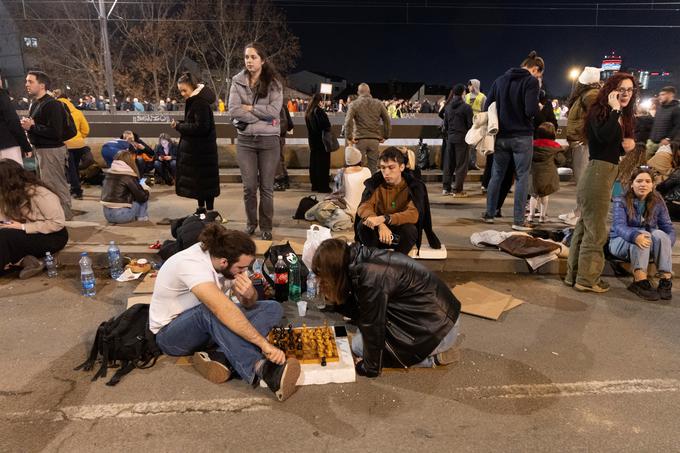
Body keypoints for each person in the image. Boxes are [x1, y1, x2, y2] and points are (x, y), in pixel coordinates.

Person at [150, 224, 300, 401]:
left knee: (272, 307)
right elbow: (221, 308)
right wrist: (264, 345)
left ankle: (221, 355)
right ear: (224, 262)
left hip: (207, 327)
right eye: (241, 268)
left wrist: (249, 293)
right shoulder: (192, 264)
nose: (245, 272)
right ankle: (261, 368)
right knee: (212, 310)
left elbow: (248, 303)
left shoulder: (226, 262)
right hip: (171, 336)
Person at [311, 238, 462, 378]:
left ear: (335, 271)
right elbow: (360, 309)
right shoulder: (359, 259)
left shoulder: (371, 277)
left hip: (438, 331)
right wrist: (338, 302)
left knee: (359, 346)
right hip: (439, 319)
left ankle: (432, 360)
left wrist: (369, 367)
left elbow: (373, 325)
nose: (320, 281)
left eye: (323, 277)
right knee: (362, 336)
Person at [565, 73, 638, 293]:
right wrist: (615, 108)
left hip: (604, 172)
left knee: (584, 227)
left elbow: (609, 145)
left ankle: (574, 275)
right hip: (598, 173)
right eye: (621, 89)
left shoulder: (617, 114)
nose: (625, 94)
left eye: (630, 90)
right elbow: (604, 137)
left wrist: (626, 147)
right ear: (611, 89)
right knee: (596, 231)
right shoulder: (601, 110)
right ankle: (587, 280)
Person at [481, 51, 543, 231]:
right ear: (534, 69)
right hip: (522, 136)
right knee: (522, 177)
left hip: (501, 136)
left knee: (497, 175)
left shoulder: (500, 80)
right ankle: (518, 220)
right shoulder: (530, 81)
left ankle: (490, 214)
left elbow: (487, 106)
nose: (538, 77)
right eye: (539, 74)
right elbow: (531, 110)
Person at [228, 42, 283, 241]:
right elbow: (233, 110)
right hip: (245, 142)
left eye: (253, 57)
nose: (249, 61)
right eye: (246, 57)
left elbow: (274, 112)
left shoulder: (274, 83)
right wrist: (261, 116)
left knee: (267, 188)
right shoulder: (237, 81)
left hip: (269, 142)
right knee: (249, 187)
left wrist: (250, 110)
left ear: (262, 60)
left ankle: (266, 226)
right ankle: (251, 223)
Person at [355, 147, 441, 256]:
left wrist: (385, 218)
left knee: (410, 230)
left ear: (401, 167)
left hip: (398, 238)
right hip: (379, 236)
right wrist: (381, 224)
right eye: (383, 168)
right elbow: (364, 207)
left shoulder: (412, 187)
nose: (386, 172)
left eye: (391, 167)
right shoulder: (375, 184)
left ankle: (398, 260)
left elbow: (413, 214)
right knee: (363, 225)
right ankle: (374, 258)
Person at [608, 168, 674, 301]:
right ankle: (639, 281)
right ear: (632, 184)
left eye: (647, 181)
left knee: (662, 235)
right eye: (639, 181)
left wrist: (665, 246)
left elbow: (669, 228)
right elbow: (619, 226)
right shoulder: (621, 200)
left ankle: (665, 280)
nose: (643, 184)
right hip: (620, 242)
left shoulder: (658, 200)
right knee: (643, 233)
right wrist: (634, 236)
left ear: (652, 185)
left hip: (646, 243)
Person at [0, 159, 68, 279]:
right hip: (29, 232)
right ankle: (27, 262)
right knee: (4, 233)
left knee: (5, 236)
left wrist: (22, 227)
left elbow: (57, 223)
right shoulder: (10, 194)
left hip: (53, 236)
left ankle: (19, 263)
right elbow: (5, 216)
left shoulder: (41, 193)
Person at [20, 71, 73, 220]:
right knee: (46, 186)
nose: (26, 84)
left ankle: (65, 218)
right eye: (26, 81)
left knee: (56, 185)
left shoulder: (53, 104)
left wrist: (32, 127)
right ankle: (55, 215)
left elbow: (56, 132)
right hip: (41, 150)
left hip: (52, 150)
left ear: (42, 85)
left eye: (30, 81)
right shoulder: (35, 104)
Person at [171, 72, 220, 215]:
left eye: (184, 90)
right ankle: (203, 209)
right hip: (202, 151)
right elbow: (196, 124)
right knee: (202, 182)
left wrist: (179, 127)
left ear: (192, 87)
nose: (182, 93)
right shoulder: (196, 101)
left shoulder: (199, 103)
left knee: (204, 182)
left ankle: (208, 211)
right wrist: (183, 124)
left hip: (201, 151)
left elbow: (201, 127)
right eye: (180, 90)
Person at [559, 67, 602, 226]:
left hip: (582, 142)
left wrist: (585, 136)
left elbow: (595, 119)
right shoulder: (587, 94)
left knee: (583, 180)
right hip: (579, 141)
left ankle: (582, 214)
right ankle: (578, 211)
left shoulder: (591, 95)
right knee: (581, 180)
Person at [343, 83, 391, 174]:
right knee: (373, 167)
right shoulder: (379, 103)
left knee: (357, 165)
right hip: (374, 139)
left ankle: (359, 186)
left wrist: (349, 137)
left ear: (358, 92)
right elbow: (387, 120)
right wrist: (386, 136)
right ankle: (371, 187)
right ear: (369, 92)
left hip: (359, 139)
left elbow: (348, 121)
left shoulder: (354, 104)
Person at [54, 90, 90, 200]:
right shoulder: (78, 112)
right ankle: (76, 187)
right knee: (74, 168)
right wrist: (79, 137)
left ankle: (77, 190)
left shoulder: (57, 111)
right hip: (79, 145)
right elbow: (86, 130)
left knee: (71, 169)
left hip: (66, 145)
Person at [527, 122, 565, 223]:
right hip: (548, 176)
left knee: (533, 195)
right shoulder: (555, 147)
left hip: (534, 175)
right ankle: (542, 216)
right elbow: (560, 160)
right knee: (545, 196)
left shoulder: (532, 145)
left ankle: (531, 215)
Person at [100, 151, 150, 224]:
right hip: (122, 216)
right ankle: (142, 217)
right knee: (143, 194)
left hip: (107, 214)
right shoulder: (129, 175)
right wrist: (146, 189)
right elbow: (142, 197)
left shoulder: (108, 173)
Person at [442, 84, 473, 197]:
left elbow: (445, 125)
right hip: (462, 139)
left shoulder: (448, 107)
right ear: (463, 93)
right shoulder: (466, 107)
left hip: (450, 138)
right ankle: (458, 190)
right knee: (461, 165)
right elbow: (470, 125)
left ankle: (446, 188)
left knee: (449, 164)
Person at [0, 75, 31, 165]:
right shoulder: (2, 95)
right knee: (14, 176)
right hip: (7, 145)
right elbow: (12, 121)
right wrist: (26, 146)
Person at [305, 93, 332, 193]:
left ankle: (315, 185)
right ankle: (323, 186)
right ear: (320, 101)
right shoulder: (318, 111)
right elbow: (325, 125)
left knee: (314, 164)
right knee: (323, 164)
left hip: (313, 142)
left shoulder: (308, 112)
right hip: (321, 142)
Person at [646, 86, 680, 159]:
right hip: (652, 142)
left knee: (657, 167)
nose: (660, 97)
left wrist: (668, 139)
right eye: (660, 95)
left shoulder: (676, 109)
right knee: (646, 165)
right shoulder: (660, 108)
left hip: (663, 145)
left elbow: (678, 126)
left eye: (663, 94)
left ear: (670, 95)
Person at [273, 104, 294, 192]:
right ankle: (284, 179)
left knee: (277, 159)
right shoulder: (282, 105)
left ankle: (279, 181)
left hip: (277, 135)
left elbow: (280, 122)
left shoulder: (278, 106)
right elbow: (289, 123)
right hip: (280, 135)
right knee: (280, 158)